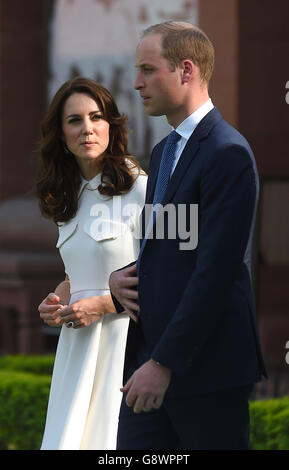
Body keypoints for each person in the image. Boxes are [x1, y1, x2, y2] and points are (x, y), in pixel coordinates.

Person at [109, 21, 267, 450]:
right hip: (149, 362)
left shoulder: (228, 153)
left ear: (186, 70)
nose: (137, 83)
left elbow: (214, 272)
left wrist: (164, 363)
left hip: (205, 371)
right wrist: (121, 276)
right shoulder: (163, 152)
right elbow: (170, 248)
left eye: (147, 69)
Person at [36, 77, 147, 450]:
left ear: (111, 126)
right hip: (75, 351)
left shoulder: (141, 190)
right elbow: (78, 271)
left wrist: (100, 305)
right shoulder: (67, 199)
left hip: (123, 348)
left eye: (96, 117)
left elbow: (166, 278)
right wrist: (57, 298)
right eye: (74, 120)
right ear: (61, 134)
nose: (87, 128)